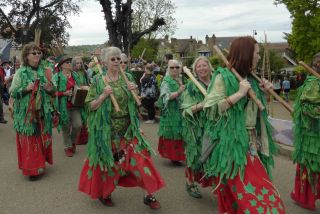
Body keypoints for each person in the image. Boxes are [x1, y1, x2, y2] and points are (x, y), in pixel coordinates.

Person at [202, 37, 285, 213]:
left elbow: (256, 112)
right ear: (247, 55)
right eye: (257, 53)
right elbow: (211, 110)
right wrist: (239, 94)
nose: (259, 57)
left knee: (257, 193)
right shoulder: (222, 76)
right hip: (233, 146)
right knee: (248, 196)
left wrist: (263, 93)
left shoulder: (252, 79)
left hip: (253, 142)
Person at [78, 47, 164, 209]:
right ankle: (105, 192)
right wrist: (103, 95)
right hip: (107, 131)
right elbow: (90, 106)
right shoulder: (98, 80)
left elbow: (133, 104)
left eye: (119, 59)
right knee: (110, 164)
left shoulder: (128, 77)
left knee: (141, 161)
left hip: (128, 129)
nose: (117, 62)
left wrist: (135, 92)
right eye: (113, 59)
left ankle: (149, 195)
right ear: (104, 62)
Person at [9, 42, 56, 180]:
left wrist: (50, 89)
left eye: (38, 53)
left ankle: (41, 163)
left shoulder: (46, 71)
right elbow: (12, 92)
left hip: (42, 112)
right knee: (31, 140)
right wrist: (25, 89)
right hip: (27, 114)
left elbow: (54, 91)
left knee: (41, 138)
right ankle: (32, 170)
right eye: (33, 53)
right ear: (26, 56)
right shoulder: (20, 73)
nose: (37, 55)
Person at [181, 56, 215, 198]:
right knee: (195, 157)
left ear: (209, 67)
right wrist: (203, 104)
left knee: (214, 155)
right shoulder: (191, 86)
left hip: (214, 125)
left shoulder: (216, 83)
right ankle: (190, 183)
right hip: (196, 128)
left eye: (204, 65)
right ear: (195, 70)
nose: (202, 68)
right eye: (199, 66)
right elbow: (186, 110)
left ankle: (216, 183)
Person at [290, 52, 320, 210]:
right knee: (311, 167)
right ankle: (305, 197)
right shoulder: (313, 83)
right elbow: (307, 108)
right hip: (313, 137)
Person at [157, 59, 186, 165]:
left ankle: (179, 156)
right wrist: (178, 92)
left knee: (180, 134)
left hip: (180, 112)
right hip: (170, 113)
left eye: (177, 67)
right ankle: (174, 157)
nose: (175, 69)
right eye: (172, 67)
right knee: (173, 135)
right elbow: (166, 97)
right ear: (168, 69)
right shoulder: (166, 81)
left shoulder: (179, 79)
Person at [53, 56, 82, 157]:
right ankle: (67, 147)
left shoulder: (75, 75)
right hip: (63, 107)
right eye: (67, 62)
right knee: (65, 128)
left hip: (75, 105)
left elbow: (80, 86)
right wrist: (63, 93)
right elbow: (53, 93)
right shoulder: (57, 77)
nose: (70, 64)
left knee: (78, 125)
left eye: (70, 62)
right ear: (62, 66)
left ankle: (72, 142)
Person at [71, 56, 89, 145]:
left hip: (85, 94)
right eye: (77, 63)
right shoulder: (72, 73)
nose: (79, 65)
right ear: (74, 64)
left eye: (80, 63)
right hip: (77, 95)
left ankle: (85, 138)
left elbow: (87, 82)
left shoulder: (84, 72)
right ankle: (78, 139)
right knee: (79, 117)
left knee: (85, 116)